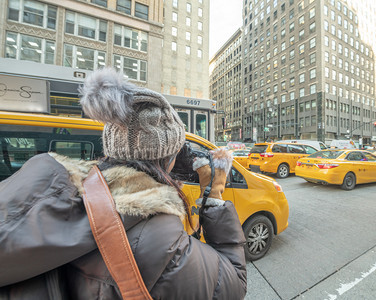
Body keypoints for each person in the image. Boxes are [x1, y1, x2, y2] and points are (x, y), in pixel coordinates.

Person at [0, 68, 247, 299]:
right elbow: (233, 283)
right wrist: (213, 197)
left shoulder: (58, 194)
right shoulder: (163, 244)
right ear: (168, 161)